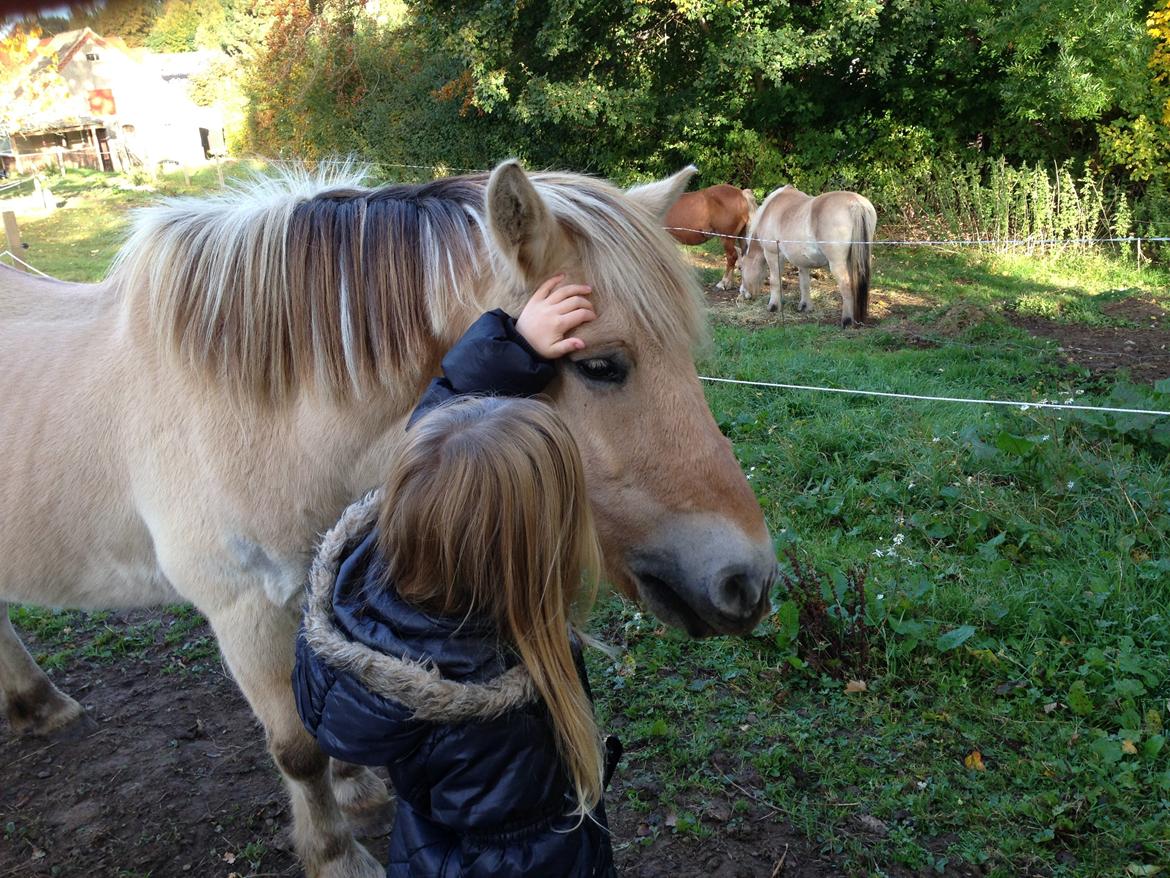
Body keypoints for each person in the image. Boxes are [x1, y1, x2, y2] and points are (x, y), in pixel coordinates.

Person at [294, 276, 622, 877]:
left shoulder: (384, 573)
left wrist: (516, 346)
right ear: (530, 559)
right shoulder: (507, 728)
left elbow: (443, 426)